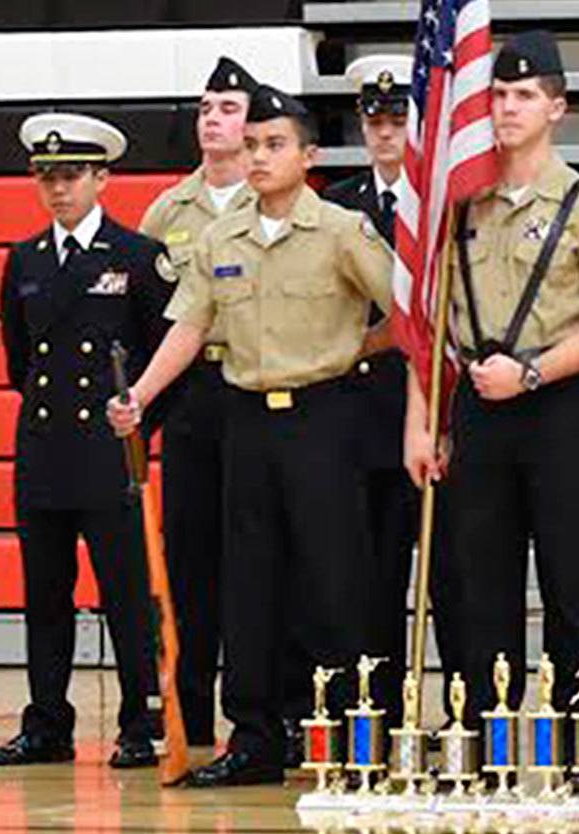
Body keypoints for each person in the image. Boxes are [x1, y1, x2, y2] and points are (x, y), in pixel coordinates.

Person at [107, 84, 394, 787]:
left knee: (334, 585)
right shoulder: (218, 237)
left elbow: (406, 318)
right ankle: (256, 738)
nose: (261, 156)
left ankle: (356, 738)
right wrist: (140, 395)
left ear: (309, 155)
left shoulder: (341, 230)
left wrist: (348, 352)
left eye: (275, 145)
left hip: (323, 420)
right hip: (245, 422)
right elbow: (192, 324)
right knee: (250, 586)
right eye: (255, 144)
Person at [403, 31, 579, 739]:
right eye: (498, 94)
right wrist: (425, 417)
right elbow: (430, 321)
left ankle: (576, 747)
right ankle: (485, 742)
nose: (506, 108)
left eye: (525, 95)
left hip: (559, 405)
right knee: (479, 586)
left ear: (557, 107)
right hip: (476, 407)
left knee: (576, 585)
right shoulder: (461, 202)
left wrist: (530, 373)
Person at [0, 112, 175, 769]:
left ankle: (139, 721)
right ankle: (46, 723)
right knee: (45, 595)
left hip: (108, 454)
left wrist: (137, 423)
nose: (58, 189)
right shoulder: (26, 260)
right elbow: (19, 361)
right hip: (42, 449)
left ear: (102, 177)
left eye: (71, 175)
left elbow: (160, 361)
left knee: (126, 595)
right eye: (46, 177)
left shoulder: (136, 257)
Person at [317, 53, 442, 749]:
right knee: (367, 583)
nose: (385, 132)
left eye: (398, 119)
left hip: (423, 413)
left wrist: (365, 344)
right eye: (375, 119)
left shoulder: (440, 199)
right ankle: (378, 719)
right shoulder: (335, 201)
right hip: (356, 424)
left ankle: (459, 723)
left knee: (447, 585)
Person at [138, 56, 258, 751]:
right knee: (187, 558)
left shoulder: (270, 201)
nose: (213, 119)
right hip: (187, 398)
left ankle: (259, 706)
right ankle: (186, 709)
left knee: (254, 554)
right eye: (207, 107)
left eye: (229, 108)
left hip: (249, 386)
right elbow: (151, 317)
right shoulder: (167, 211)